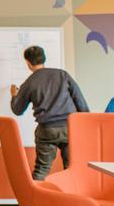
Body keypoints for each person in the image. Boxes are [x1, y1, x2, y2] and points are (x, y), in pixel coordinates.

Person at [9, 45, 89, 180]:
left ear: (28, 63)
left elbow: (17, 110)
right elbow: (80, 102)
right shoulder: (62, 75)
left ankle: (33, 201)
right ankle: (72, 200)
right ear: (44, 59)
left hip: (47, 130)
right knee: (71, 168)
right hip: (69, 128)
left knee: (42, 169)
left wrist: (14, 96)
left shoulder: (29, 82)